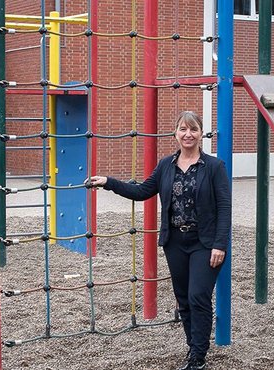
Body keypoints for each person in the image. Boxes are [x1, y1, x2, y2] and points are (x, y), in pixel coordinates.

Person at [88, 111, 231, 370]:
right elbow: (142, 191)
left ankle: (199, 356)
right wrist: (109, 182)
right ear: (175, 133)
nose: (188, 134)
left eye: (193, 129)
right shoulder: (166, 165)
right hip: (175, 240)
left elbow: (224, 207)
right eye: (183, 129)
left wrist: (220, 244)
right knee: (183, 298)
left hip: (205, 242)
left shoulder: (214, 167)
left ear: (201, 134)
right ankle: (193, 350)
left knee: (199, 295)